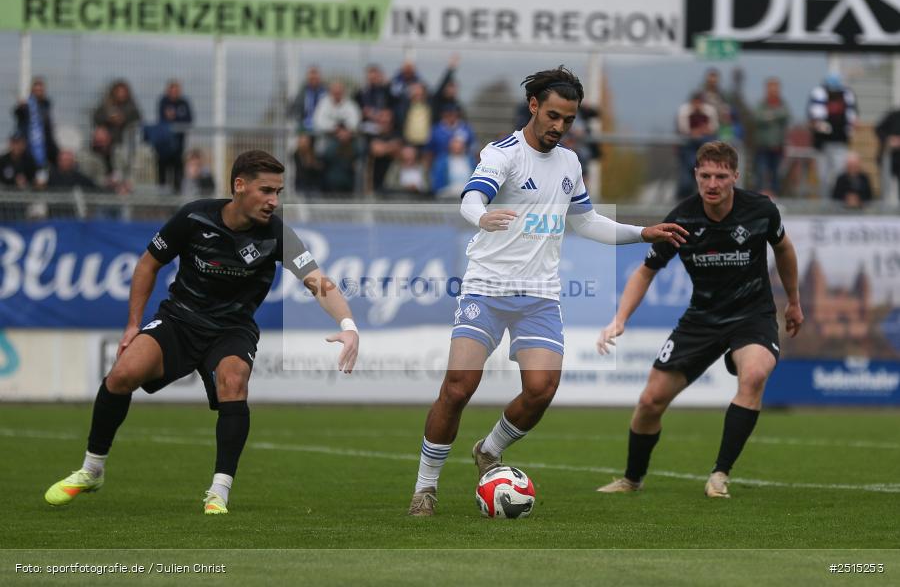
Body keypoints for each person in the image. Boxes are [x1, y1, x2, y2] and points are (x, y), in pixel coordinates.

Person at [407, 66, 688, 516]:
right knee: (459, 387)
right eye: (553, 115)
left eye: (569, 119)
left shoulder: (570, 163)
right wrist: (481, 216)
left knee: (541, 389)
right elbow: (471, 197)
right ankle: (425, 488)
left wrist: (643, 232)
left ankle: (489, 450)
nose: (560, 126)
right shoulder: (503, 154)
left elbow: (585, 221)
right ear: (534, 106)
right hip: (486, 287)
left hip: (539, 294)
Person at [44, 150, 360, 515]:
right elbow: (148, 265)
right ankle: (92, 469)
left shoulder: (277, 234)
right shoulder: (194, 216)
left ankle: (218, 492)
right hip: (180, 320)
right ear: (239, 186)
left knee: (234, 381)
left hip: (232, 329)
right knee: (121, 375)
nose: (274, 201)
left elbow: (317, 281)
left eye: (278, 192)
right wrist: (133, 324)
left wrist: (348, 326)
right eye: (266, 190)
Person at [595, 141, 803, 499]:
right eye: (705, 175)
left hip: (752, 315)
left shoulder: (761, 211)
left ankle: (720, 474)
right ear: (695, 175)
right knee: (649, 403)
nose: (712, 183)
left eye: (721, 176)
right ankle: (632, 478)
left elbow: (783, 248)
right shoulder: (682, 219)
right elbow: (646, 271)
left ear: (735, 176)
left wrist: (794, 302)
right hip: (702, 319)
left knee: (753, 376)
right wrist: (620, 318)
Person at [807, 73, 857, 199]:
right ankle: (825, 203)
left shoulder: (847, 95)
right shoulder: (818, 94)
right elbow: (812, 118)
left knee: (838, 175)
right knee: (823, 176)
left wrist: (849, 130)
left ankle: (837, 202)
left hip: (839, 142)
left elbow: (853, 118)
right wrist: (819, 126)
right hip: (822, 144)